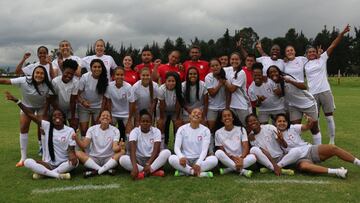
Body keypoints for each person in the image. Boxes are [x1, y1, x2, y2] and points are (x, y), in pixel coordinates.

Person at [5, 92, 77, 179]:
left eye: (59, 115)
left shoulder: (69, 130)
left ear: (63, 118)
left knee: (75, 162)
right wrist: (17, 101)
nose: (57, 117)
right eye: (54, 116)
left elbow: (71, 149)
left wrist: (72, 154)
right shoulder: (47, 126)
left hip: (63, 163)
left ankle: (45, 173)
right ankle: (57, 175)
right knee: (27, 161)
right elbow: (30, 114)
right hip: (48, 164)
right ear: (51, 118)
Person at [274, 113, 360, 178]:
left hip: (309, 149)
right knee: (304, 167)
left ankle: (358, 162)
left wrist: (310, 121)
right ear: (275, 123)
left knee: (332, 148)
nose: (282, 123)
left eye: (284, 121)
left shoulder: (293, 127)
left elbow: (307, 126)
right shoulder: (273, 134)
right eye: (279, 121)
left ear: (287, 122)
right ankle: (337, 172)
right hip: (296, 159)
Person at [304, 25, 350, 145]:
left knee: (329, 117)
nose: (312, 53)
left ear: (317, 52)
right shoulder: (304, 63)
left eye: (313, 51)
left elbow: (333, 45)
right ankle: (317, 142)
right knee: (315, 119)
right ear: (306, 55)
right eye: (309, 52)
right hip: (312, 94)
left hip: (325, 91)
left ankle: (332, 140)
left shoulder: (322, 58)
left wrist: (342, 33)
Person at [0, 65, 55, 167]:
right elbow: (5, 81)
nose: (39, 75)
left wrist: (44, 114)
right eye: (37, 73)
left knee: (43, 129)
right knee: (23, 127)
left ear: (45, 75)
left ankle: (45, 156)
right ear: (33, 73)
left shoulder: (48, 84)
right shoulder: (24, 80)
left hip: (42, 107)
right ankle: (23, 158)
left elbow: (50, 99)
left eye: (42, 73)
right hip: (26, 106)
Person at [267, 65, 322, 145]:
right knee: (294, 128)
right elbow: (282, 94)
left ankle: (318, 148)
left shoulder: (286, 77)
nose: (273, 74)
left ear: (279, 72)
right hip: (294, 106)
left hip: (308, 103)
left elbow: (304, 86)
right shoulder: (273, 83)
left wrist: (290, 81)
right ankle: (298, 146)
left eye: (275, 71)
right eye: (270, 73)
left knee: (314, 128)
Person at [119, 110, 171, 180]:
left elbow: (156, 150)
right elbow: (132, 150)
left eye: (148, 121)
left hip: (152, 160)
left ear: (151, 122)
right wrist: (134, 167)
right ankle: (152, 171)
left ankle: (144, 173)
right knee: (122, 159)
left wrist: (148, 163)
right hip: (139, 160)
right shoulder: (134, 131)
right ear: (139, 122)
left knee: (167, 152)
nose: (145, 123)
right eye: (143, 121)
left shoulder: (156, 131)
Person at [73, 110, 124, 178]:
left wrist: (120, 146)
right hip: (94, 158)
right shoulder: (92, 129)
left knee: (122, 151)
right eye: (103, 115)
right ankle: (104, 170)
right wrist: (76, 138)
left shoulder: (115, 130)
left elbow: (115, 148)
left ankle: (96, 171)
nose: (105, 117)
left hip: (108, 158)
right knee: (77, 153)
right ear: (99, 118)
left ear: (110, 119)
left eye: (108, 116)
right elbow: (84, 145)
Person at [168, 108, 218, 177]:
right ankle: (194, 172)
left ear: (201, 118)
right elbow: (176, 147)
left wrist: (198, 163)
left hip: (198, 159)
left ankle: (185, 171)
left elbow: (204, 150)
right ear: (190, 116)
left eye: (199, 114)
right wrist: (181, 157)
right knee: (171, 158)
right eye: (194, 112)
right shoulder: (182, 129)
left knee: (214, 160)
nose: (197, 114)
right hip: (185, 160)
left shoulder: (206, 130)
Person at [214, 109, 256, 177]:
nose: (227, 117)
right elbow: (222, 150)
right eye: (224, 116)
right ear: (221, 120)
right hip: (228, 158)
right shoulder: (218, 133)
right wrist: (231, 157)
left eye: (229, 115)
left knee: (253, 157)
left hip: (242, 158)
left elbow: (245, 146)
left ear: (233, 118)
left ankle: (230, 169)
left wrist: (241, 158)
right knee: (218, 152)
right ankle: (242, 170)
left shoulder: (241, 129)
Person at [77, 59, 108, 137]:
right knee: (84, 130)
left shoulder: (105, 79)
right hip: (84, 107)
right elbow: (77, 94)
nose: (97, 69)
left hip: (98, 107)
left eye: (99, 67)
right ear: (91, 68)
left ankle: (94, 148)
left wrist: (101, 111)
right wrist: (83, 102)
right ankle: (84, 147)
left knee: (96, 130)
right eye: (94, 67)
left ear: (102, 68)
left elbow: (104, 98)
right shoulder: (85, 77)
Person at [104, 67, 134, 143]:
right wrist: (110, 115)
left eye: (121, 75)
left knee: (129, 134)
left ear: (124, 76)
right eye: (117, 74)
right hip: (114, 113)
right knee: (109, 132)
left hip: (126, 114)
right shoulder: (109, 86)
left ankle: (127, 151)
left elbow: (131, 103)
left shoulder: (128, 87)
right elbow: (109, 101)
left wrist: (130, 119)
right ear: (114, 76)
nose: (119, 77)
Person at [205, 58, 228, 153]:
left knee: (224, 129)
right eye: (212, 66)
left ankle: (224, 150)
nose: (215, 67)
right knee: (211, 130)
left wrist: (227, 106)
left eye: (217, 65)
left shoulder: (225, 75)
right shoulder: (208, 77)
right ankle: (211, 151)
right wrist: (220, 83)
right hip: (212, 107)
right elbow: (212, 93)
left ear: (220, 65)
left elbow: (228, 93)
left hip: (223, 107)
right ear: (210, 68)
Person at [49, 59, 79, 129]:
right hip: (57, 108)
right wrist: (60, 115)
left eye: (72, 74)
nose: (69, 76)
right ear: (62, 70)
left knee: (74, 126)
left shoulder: (76, 82)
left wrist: (73, 117)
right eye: (67, 73)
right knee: (60, 127)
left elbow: (73, 101)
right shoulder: (55, 81)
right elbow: (53, 100)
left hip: (70, 109)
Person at [157, 72, 184, 148]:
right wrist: (162, 118)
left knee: (178, 125)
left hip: (175, 110)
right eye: (169, 81)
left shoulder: (179, 88)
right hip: (163, 110)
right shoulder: (161, 89)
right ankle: (163, 146)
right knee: (161, 125)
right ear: (165, 81)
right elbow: (162, 105)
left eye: (173, 81)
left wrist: (178, 118)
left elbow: (178, 105)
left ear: (176, 82)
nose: (171, 83)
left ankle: (177, 147)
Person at [223, 52, 250, 125]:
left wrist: (223, 80)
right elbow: (218, 69)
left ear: (241, 61)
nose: (234, 61)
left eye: (237, 59)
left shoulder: (241, 73)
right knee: (234, 127)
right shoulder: (228, 69)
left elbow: (232, 89)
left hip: (241, 105)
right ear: (229, 60)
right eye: (232, 59)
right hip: (231, 105)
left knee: (245, 126)